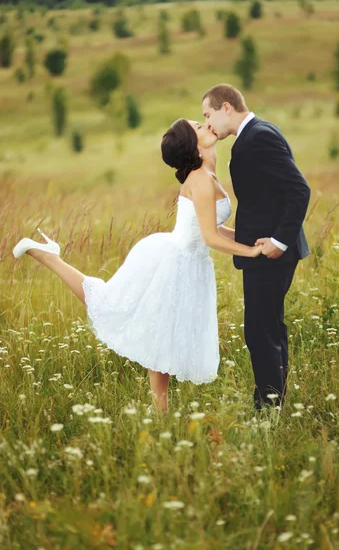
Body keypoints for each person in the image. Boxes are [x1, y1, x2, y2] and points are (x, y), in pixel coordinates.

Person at [12, 118, 262, 413]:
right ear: (192, 145)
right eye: (198, 126)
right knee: (120, 311)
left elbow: (208, 228)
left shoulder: (207, 172)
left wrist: (251, 239)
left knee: (163, 336)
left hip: (189, 262)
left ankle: (160, 412)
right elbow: (209, 236)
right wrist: (250, 251)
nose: (205, 125)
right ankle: (49, 256)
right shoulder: (200, 179)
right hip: (174, 262)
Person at [202, 84, 311, 411]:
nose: (207, 123)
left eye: (208, 115)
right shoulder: (255, 134)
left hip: (271, 254)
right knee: (269, 328)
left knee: (261, 332)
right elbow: (265, 200)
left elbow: (298, 190)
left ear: (226, 107)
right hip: (261, 250)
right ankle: (274, 403)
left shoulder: (259, 136)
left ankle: (268, 410)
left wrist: (279, 241)